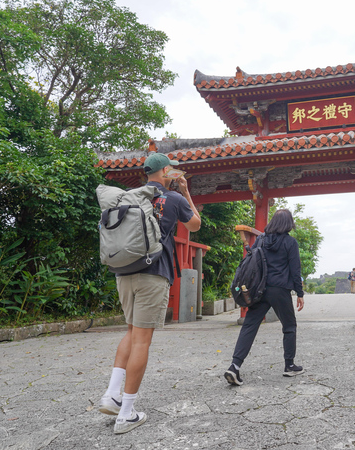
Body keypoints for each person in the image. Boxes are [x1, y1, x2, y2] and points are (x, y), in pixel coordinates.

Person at [98, 153, 201, 434]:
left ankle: (112, 394)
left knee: (131, 332)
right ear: (166, 171)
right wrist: (186, 192)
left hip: (124, 273)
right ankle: (127, 414)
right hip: (153, 274)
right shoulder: (173, 198)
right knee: (142, 340)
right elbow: (195, 224)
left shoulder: (130, 196)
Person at [225, 209, 305, 386]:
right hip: (280, 290)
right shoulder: (290, 243)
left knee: (249, 326)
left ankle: (234, 366)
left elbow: (251, 261)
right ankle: (289, 365)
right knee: (289, 326)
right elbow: (295, 270)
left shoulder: (260, 240)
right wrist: (299, 293)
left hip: (258, 289)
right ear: (288, 224)